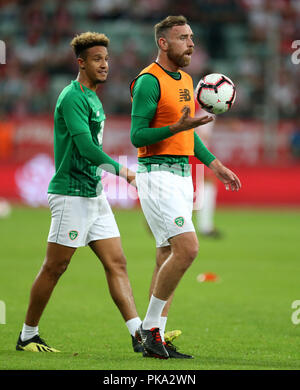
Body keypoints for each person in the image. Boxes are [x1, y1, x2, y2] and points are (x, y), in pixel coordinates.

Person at [16, 32, 143, 353]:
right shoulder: (72, 96)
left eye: (107, 59)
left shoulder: (92, 97)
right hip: (71, 194)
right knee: (55, 267)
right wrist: (125, 172)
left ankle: (139, 334)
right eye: (97, 59)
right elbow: (86, 149)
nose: (105, 65)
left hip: (93, 193)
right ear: (81, 63)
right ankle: (28, 335)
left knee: (118, 263)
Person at [130, 15, 241, 359]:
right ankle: (148, 331)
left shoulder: (188, 80)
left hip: (181, 175)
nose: (191, 43)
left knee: (167, 254)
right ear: (163, 43)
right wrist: (175, 127)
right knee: (188, 249)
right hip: (157, 174)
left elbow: (187, 132)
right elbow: (137, 136)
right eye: (182, 38)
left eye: (191, 37)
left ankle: (155, 336)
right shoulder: (149, 81)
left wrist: (215, 164)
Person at [190, 100, 222, 238]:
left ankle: (162, 219)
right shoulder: (195, 101)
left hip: (198, 148)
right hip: (193, 149)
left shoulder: (211, 103)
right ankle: (205, 226)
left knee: (202, 185)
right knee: (206, 183)